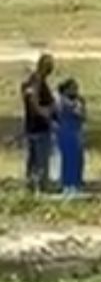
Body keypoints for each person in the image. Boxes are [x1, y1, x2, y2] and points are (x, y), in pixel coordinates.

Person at [20, 54, 56, 192]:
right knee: (41, 161)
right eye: (49, 65)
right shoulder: (37, 81)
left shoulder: (30, 82)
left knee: (33, 161)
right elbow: (34, 102)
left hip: (31, 127)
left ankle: (31, 187)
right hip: (40, 128)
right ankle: (41, 187)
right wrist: (46, 113)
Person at [56, 77, 87, 195]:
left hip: (76, 132)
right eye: (73, 88)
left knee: (78, 159)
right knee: (68, 159)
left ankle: (77, 183)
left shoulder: (78, 101)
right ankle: (67, 184)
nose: (76, 91)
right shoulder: (62, 101)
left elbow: (83, 116)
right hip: (66, 132)